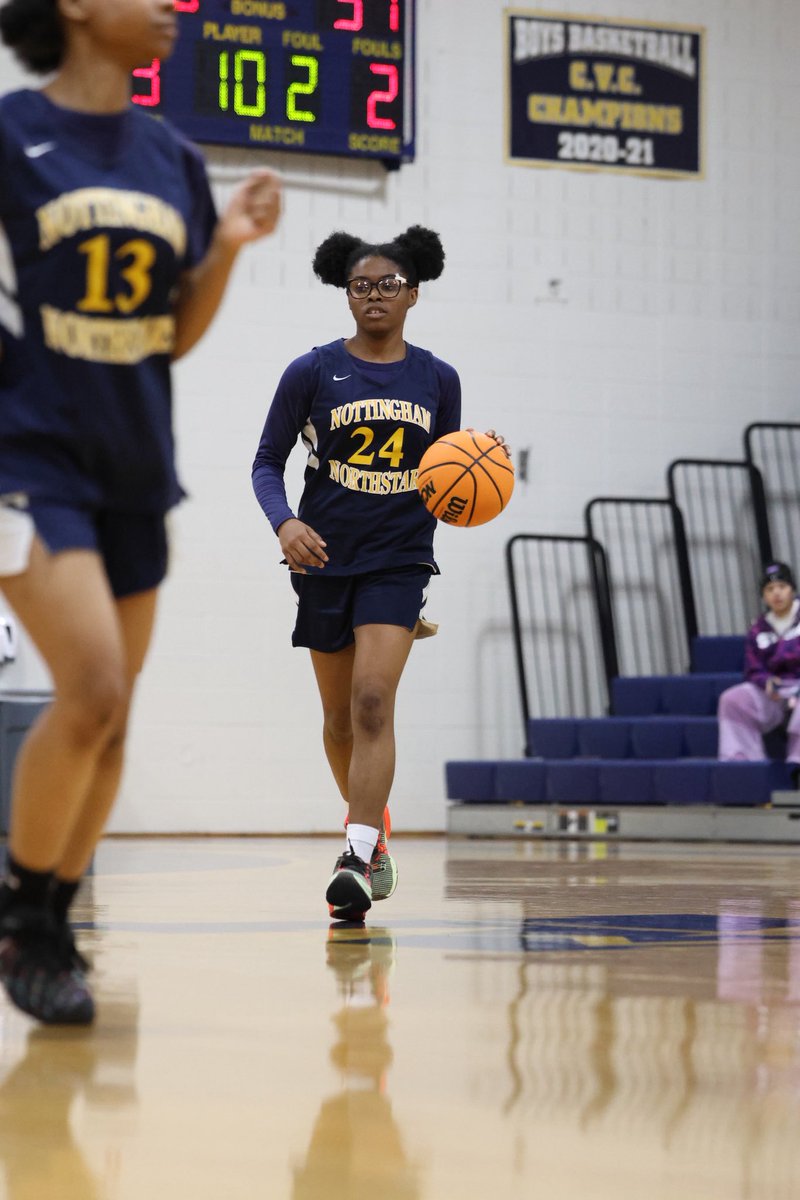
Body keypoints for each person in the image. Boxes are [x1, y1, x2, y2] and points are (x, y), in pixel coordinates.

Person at [0, 0, 282, 1025]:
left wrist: (230, 248)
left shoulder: (173, 157)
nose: (169, 5)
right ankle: (25, 922)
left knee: (113, 720)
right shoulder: (11, 134)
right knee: (91, 686)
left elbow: (171, 333)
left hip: (134, 463)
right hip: (27, 456)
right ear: (75, 6)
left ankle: (53, 918)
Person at [252, 225, 509, 922]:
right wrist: (285, 522)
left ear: (413, 294)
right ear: (346, 293)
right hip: (324, 557)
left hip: (399, 558)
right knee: (338, 721)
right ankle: (376, 830)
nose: (374, 294)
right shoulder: (311, 372)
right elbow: (267, 462)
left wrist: (482, 460)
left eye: (388, 284)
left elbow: (447, 474)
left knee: (372, 702)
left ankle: (356, 854)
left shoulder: (438, 378)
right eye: (361, 285)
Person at [717, 562, 800, 779]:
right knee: (732, 699)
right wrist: (766, 681)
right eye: (770, 589)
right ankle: (743, 766)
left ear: (792, 589)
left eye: (782, 587)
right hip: (774, 692)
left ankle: (797, 765)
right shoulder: (758, 628)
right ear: (763, 596)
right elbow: (753, 668)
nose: (776, 593)